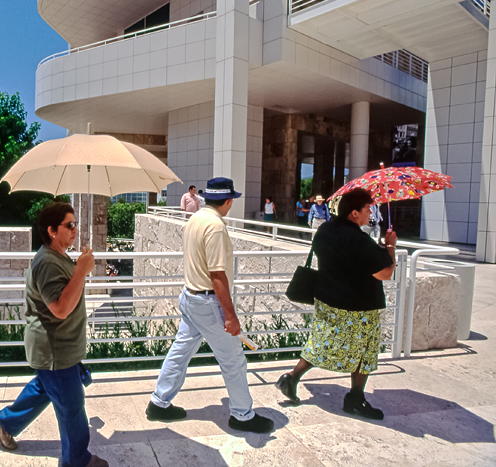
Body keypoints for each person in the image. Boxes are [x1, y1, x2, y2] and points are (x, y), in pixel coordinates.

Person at [146, 177, 275, 433]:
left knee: (180, 352)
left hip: (190, 296)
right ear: (228, 201)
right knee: (234, 360)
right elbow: (217, 275)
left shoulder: (195, 219)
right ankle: (242, 415)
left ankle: (159, 403)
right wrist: (230, 315)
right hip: (207, 301)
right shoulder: (215, 226)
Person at [0, 203, 108, 467]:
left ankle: (4, 422)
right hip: (55, 349)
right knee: (71, 409)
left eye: (75, 223)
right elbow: (61, 308)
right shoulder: (47, 263)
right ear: (52, 231)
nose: (75, 229)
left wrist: (80, 266)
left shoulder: (58, 255)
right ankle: (77, 460)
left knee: (46, 387)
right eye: (70, 225)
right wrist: (81, 270)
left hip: (60, 347)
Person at [275, 188, 398, 420]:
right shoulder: (359, 239)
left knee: (322, 343)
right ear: (354, 213)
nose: (370, 212)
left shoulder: (325, 230)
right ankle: (355, 398)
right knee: (364, 351)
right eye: (367, 209)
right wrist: (390, 245)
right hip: (358, 307)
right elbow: (385, 272)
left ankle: (291, 378)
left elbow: (346, 259)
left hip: (327, 300)